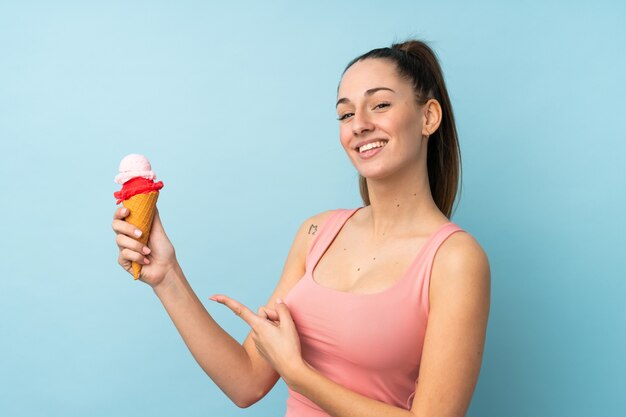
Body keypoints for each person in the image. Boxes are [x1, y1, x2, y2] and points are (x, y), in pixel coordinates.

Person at [111, 39, 491, 417]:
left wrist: (299, 375)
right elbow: (246, 382)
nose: (359, 125)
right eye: (345, 114)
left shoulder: (455, 259)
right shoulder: (316, 233)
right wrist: (166, 276)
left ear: (429, 117)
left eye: (380, 105)